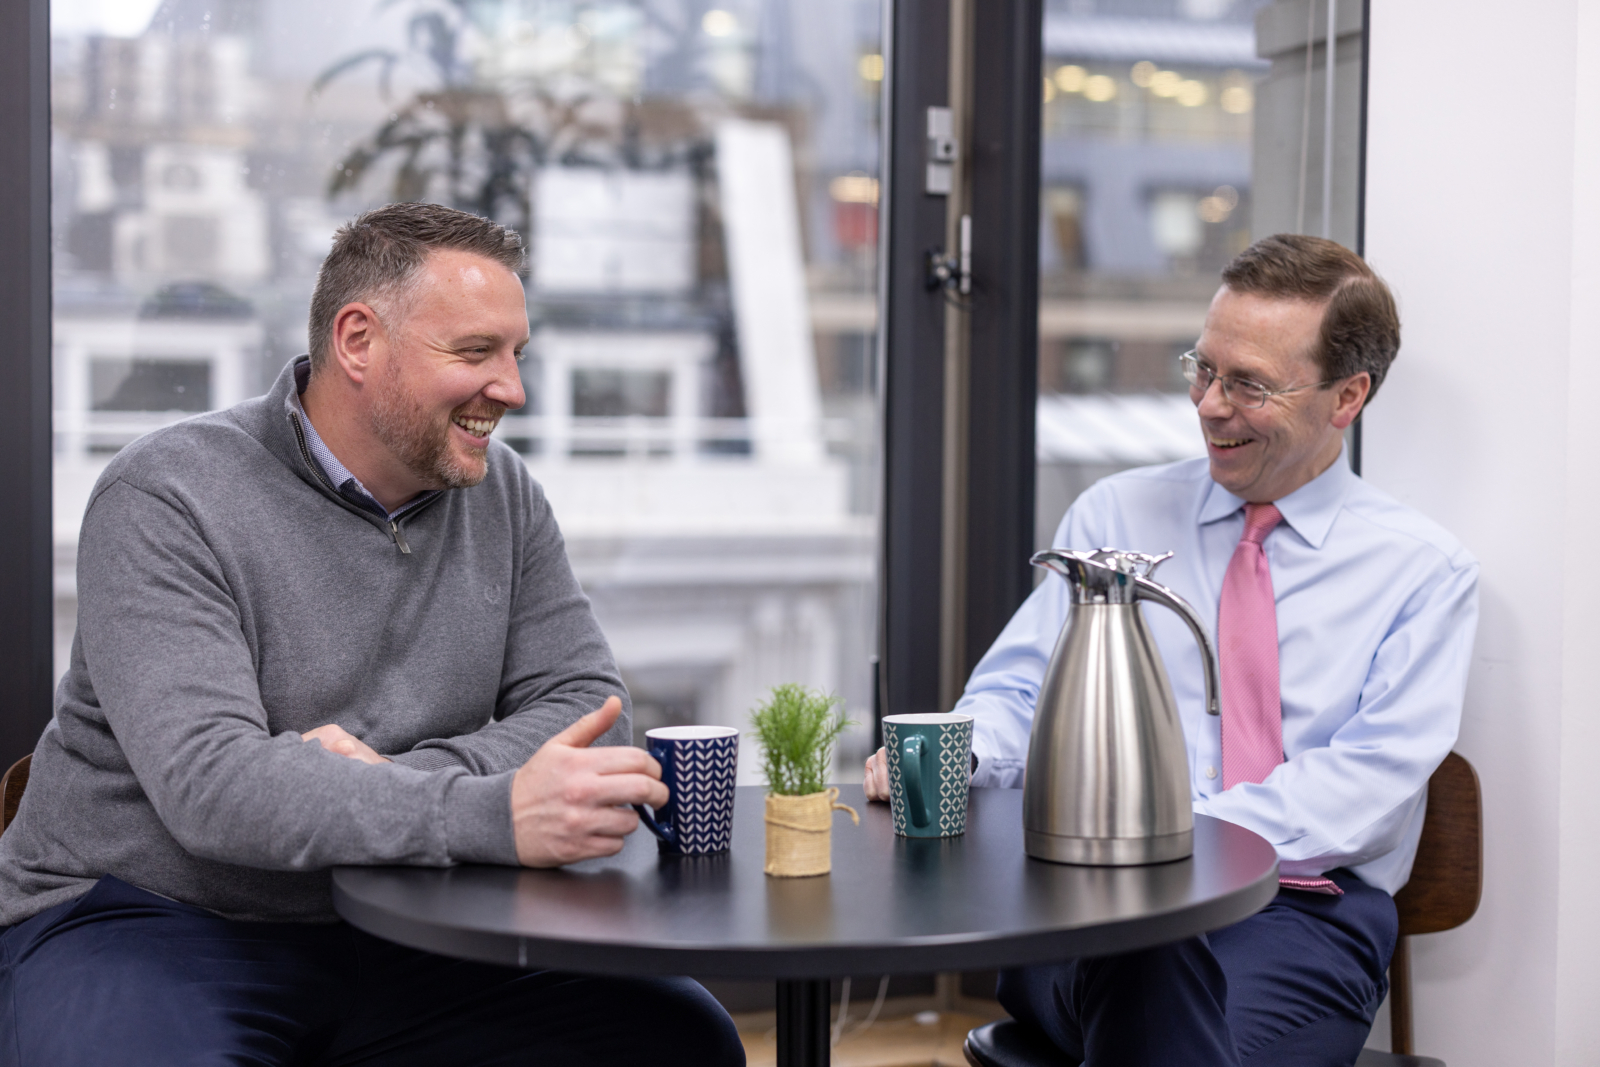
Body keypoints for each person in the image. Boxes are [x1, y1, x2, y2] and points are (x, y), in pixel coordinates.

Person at [0, 203, 745, 1066]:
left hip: (410, 916)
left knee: (682, 1038)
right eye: (475, 353)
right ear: (357, 341)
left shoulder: (502, 494)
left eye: (515, 354)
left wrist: (399, 782)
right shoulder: (166, 495)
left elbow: (589, 710)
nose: (512, 388)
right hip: (149, 915)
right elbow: (212, 786)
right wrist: (491, 809)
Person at [864, 234, 1478, 1066]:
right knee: (1156, 984)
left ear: (1347, 397)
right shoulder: (1115, 516)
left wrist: (1169, 841)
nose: (1211, 404)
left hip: (1300, 917)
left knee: (1171, 1028)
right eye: (1204, 368)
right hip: (1087, 907)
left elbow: (1365, 785)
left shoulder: (1422, 572)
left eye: (1250, 384)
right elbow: (1018, 694)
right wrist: (957, 757)